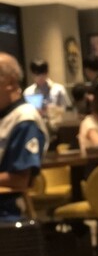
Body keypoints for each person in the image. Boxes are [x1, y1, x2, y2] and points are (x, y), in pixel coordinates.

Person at [0, 52, 49, 219]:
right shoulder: (4, 116)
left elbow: (20, 179)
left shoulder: (25, 119)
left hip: (8, 212)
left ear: (10, 82)